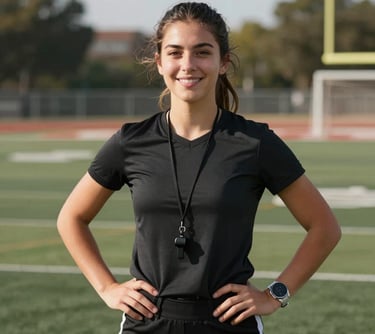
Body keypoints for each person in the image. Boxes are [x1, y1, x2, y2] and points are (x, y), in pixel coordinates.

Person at [57, 2, 341, 333]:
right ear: (159, 61)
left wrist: (275, 294)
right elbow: (71, 218)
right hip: (148, 322)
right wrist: (107, 287)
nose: (188, 64)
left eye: (202, 52)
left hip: (228, 323)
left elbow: (324, 227)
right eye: (175, 53)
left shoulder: (255, 142)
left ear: (223, 63)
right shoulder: (130, 141)